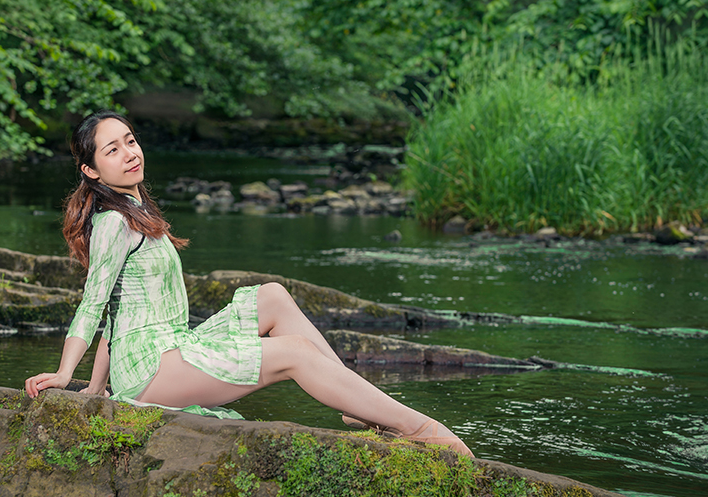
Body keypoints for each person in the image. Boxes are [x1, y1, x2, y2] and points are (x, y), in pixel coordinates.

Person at [24, 110, 473, 457]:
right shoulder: (113, 224)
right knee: (295, 354)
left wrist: (98, 389)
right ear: (91, 171)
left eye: (131, 141)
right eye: (113, 150)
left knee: (271, 296)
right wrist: (68, 375)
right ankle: (418, 428)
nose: (130, 152)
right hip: (151, 369)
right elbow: (95, 304)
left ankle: (354, 399)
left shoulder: (135, 211)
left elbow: (120, 312)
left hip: (169, 348)